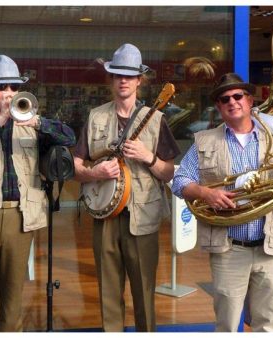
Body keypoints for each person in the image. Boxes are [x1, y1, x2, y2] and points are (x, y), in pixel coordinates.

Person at [0, 54, 76, 332]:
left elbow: (70, 137)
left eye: (13, 87)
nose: (8, 93)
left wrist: (38, 123)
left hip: (19, 220)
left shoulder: (30, 123)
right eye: (1, 87)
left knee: (12, 300)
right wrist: (1, 121)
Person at [172, 72, 273, 332]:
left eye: (238, 95)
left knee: (267, 324)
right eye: (225, 98)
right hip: (230, 248)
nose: (232, 101)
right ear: (219, 107)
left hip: (271, 247)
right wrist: (206, 193)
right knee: (228, 325)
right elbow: (179, 182)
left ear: (250, 99)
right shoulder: (205, 140)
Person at [73, 43, 181, 332]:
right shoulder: (96, 117)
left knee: (144, 292)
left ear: (139, 80)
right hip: (105, 217)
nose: (123, 80)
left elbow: (169, 172)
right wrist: (94, 173)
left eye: (129, 75)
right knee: (108, 293)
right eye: (117, 75)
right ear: (110, 79)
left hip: (142, 219)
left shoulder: (156, 119)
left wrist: (148, 157)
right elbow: (76, 166)